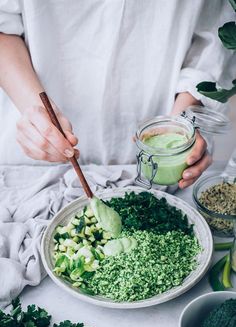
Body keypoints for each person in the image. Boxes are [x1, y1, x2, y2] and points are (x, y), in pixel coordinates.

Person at [0, 0, 235, 188]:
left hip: (153, 158)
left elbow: (212, 39)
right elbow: (4, 26)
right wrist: (34, 109)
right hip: (35, 161)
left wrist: (183, 123)